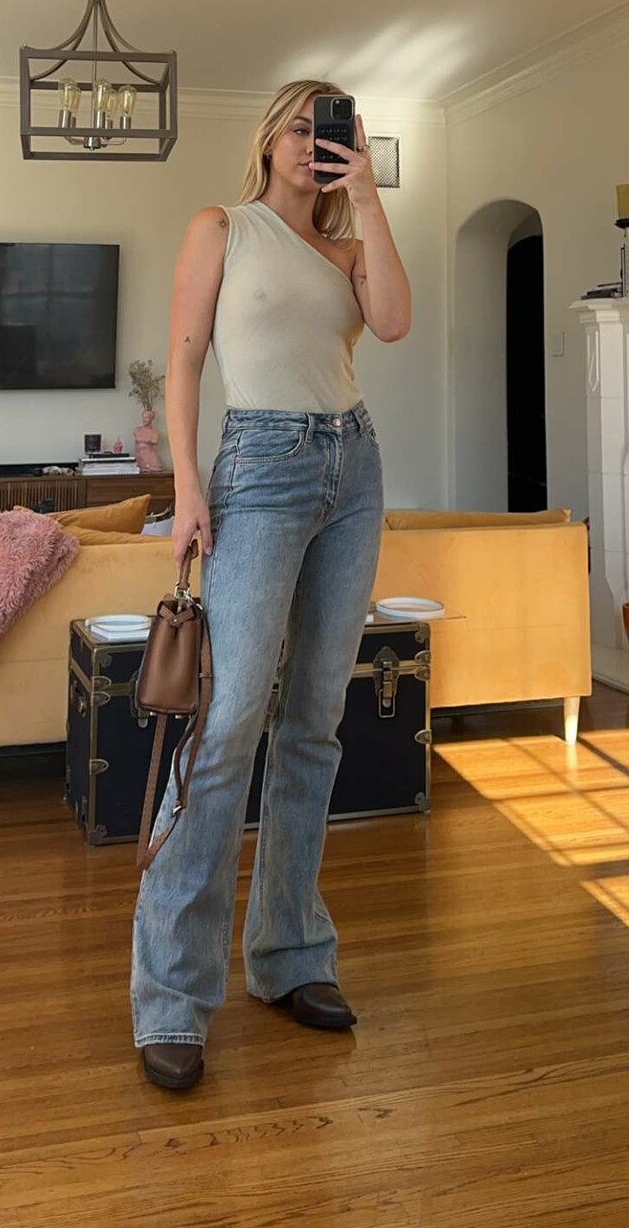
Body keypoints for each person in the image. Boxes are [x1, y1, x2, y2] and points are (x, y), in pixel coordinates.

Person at [131, 80, 412, 1093]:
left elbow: (394, 324)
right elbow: (184, 359)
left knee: (314, 722)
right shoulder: (222, 227)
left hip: (352, 469)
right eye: (297, 125)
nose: (309, 143)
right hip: (257, 466)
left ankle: (290, 954)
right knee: (224, 724)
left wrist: (367, 194)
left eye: (327, 132)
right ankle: (172, 996)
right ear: (268, 138)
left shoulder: (348, 247)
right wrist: (187, 485)